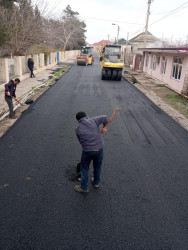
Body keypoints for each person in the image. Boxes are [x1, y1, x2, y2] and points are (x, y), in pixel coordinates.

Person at [74, 111, 108, 193]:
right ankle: (96, 183)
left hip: (87, 151)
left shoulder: (77, 128)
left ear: (78, 120)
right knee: (97, 166)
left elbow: (81, 141)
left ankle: (84, 187)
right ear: (86, 116)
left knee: (84, 168)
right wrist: (104, 127)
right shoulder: (93, 120)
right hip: (99, 149)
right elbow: (105, 117)